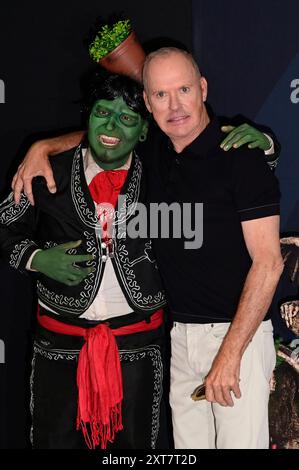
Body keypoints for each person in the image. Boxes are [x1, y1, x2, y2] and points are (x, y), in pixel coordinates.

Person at [11, 48, 282, 449]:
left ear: (203, 88)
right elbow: (108, 134)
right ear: (150, 107)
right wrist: (44, 148)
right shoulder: (153, 151)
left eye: (184, 89)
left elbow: (269, 264)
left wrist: (230, 354)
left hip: (233, 336)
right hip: (178, 339)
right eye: (160, 95)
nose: (175, 106)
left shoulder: (240, 156)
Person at [0, 72, 167, 450]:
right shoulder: (45, 172)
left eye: (126, 118)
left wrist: (267, 151)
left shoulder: (163, 174)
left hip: (138, 347)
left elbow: (213, 161)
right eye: (102, 113)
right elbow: (3, 227)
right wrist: (37, 259)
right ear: (86, 117)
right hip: (60, 346)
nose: (111, 126)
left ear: (143, 130)